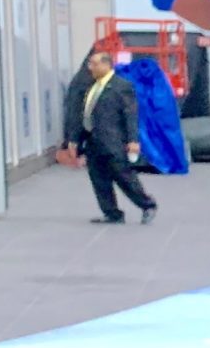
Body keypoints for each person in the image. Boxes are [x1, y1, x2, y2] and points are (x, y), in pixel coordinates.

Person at [61, 47, 155, 226]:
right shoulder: (90, 87)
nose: (91, 68)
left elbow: (130, 114)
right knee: (99, 179)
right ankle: (112, 213)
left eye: (94, 64)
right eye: (90, 64)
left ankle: (147, 205)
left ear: (106, 64)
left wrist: (133, 140)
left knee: (124, 176)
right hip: (93, 141)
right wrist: (74, 139)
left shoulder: (121, 86)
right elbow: (82, 114)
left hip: (113, 141)